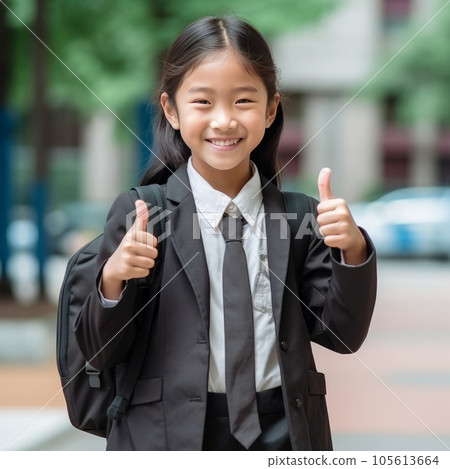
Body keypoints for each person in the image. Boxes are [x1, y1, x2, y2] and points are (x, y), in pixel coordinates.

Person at [75, 15, 377, 451]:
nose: (224, 120)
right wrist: (114, 280)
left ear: (271, 110)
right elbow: (99, 352)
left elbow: (343, 336)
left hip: (285, 436)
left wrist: (352, 250)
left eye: (242, 101)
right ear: (171, 111)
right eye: (202, 102)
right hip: (166, 438)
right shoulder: (142, 213)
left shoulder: (299, 220)